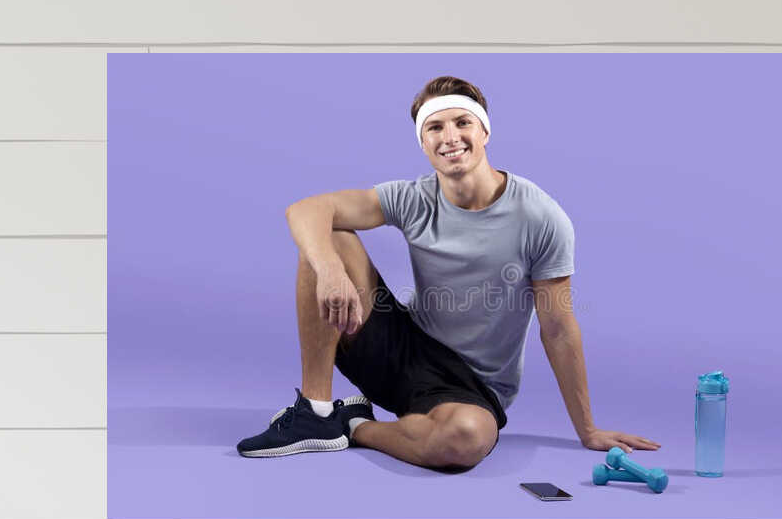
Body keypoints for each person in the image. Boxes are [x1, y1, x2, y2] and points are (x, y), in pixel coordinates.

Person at [236, 75, 658, 467]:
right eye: (435, 127)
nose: (450, 137)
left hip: (470, 385)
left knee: (464, 440)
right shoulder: (414, 197)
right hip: (401, 348)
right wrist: (329, 269)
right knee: (331, 234)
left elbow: (559, 328)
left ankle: (353, 427)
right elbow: (305, 209)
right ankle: (317, 410)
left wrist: (587, 430)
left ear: (485, 132)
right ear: (423, 142)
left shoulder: (541, 217)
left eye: (462, 122)